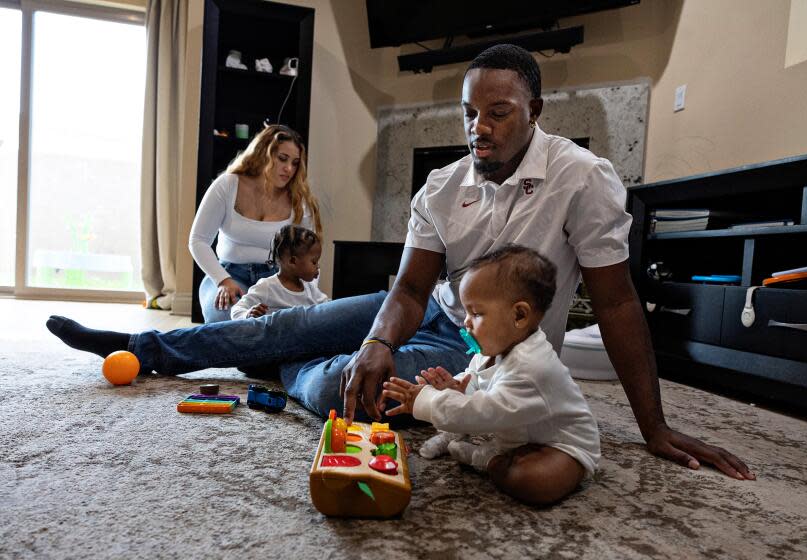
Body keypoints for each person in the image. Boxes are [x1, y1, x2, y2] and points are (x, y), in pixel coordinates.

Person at [46, 44, 753, 483]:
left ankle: (288, 365)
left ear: (535, 110)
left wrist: (654, 426)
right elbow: (412, 287)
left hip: (488, 355)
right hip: (437, 314)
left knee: (335, 392)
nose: (481, 127)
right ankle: (140, 347)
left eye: (500, 112)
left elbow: (620, 302)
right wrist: (382, 340)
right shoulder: (444, 185)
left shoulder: (584, 178)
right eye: (471, 114)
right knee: (282, 328)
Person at [382, 245, 600, 505]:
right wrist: (458, 388)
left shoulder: (533, 367)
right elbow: (476, 378)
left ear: (519, 315)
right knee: (474, 414)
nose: (466, 322)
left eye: (476, 313)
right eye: (466, 312)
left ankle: (483, 458)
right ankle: (472, 441)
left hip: (562, 445)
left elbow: (484, 412)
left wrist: (427, 401)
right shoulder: (494, 346)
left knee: (531, 482)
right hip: (521, 433)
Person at [190, 124, 322, 322]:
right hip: (230, 274)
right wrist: (223, 280)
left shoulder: (299, 200)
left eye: (295, 163)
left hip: (280, 279)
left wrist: (308, 294)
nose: (289, 169)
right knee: (225, 321)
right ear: (263, 154)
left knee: (286, 324)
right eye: (282, 159)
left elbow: (309, 256)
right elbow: (198, 241)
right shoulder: (228, 185)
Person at [230, 225, 329, 320]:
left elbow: (329, 307)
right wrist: (247, 314)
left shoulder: (309, 288)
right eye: (314, 262)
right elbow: (236, 310)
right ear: (293, 261)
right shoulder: (267, 287)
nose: (318, 266)